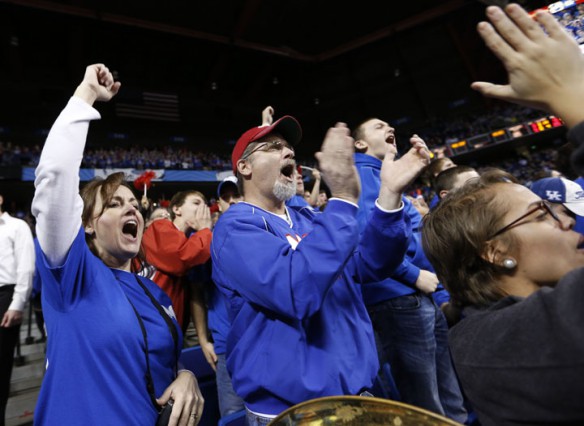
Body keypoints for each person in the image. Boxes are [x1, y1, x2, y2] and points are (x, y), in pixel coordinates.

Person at [422, 4, 584, 424]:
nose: (566, 219)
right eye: (542, 214)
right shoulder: (501, 342)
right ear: (494, 252)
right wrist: (574, 97)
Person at [211, 113, 431, 424]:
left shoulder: (308, 218)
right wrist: (342, 197)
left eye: (288, 147)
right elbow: (294, 289)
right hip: (292, 411)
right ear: (244, 167)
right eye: (273, 147)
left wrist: (389, 198)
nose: (288, 152)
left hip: (355, 396)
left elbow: (371, 264)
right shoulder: (234, 228)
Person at [31, 64, 203, 425]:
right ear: (87, 227)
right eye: (113, 203)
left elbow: (160, 361)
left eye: (132, 203)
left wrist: (185, 376)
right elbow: (55, 178)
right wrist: (87, 95)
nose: (131, 209)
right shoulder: (72, 276)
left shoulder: (153, 291)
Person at [352, 120, 466, 422]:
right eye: (378, 127)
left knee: (446, 393)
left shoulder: (380, 172)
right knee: (426, 402)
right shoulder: (363, 174)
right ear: (361, 144)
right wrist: (412, 275)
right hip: (398, 298)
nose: (388, 126)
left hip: (416, 295)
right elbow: (368, 241)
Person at [190, 177, 245, 418]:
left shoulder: (266, 230)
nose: (232, 201)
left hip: (267, 343)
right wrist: (202, 338)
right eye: (226, 197)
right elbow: (196, 292)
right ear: (219, 204)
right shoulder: (205, 243)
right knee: (234, 416)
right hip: (227, 347)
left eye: (237, 195)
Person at [139, 190, 212, 332]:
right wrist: (204, 229)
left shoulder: (193, 239)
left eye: (205, 204)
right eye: (196, 203)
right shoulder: (160, 227)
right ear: (177, 209)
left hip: (171, 330)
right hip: (150, 326)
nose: (204, 209)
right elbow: (182, 257)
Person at [0, 194, 35, 426]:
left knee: (1, 367)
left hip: (4, 297)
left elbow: (26, 266)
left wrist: (17, 302)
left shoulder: (16, 226)